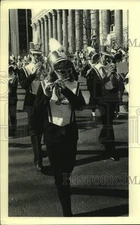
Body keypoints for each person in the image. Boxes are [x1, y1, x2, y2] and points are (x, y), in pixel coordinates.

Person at [33, 46, 86, 216]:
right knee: (60, 174)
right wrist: (46, 96)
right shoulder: (43, 85)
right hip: (52, 134)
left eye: (66, 68)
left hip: (69, 132)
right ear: (53, 70)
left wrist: (65, 90)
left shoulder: (75, 85)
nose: (63, 72)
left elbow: (80, 106)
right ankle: (67, 212)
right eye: (59, 69)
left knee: (68, 168)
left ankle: (64, 182)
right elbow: (36, 113)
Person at [18, 42, 47, 171]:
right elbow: (23, 85)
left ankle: (39, 150)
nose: (37, 57)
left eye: (39, 55)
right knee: (34, 132)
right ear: (30, 55)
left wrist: (46, 73)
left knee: (42, 130)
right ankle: (38, 160)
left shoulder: (44, 67)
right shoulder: (24, 69)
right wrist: (34, 74)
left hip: (43, 101)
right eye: (35, 55)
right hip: (31, 101)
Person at [88, 47, 120, 161]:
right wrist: (93, 107)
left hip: (111, 100)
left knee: (108, 122)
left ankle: (103, 138)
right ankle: (111, 150)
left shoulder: (110, 69)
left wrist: (115, 76)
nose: (107, 59)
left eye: (108, 57)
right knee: (108, 124)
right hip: (101, 101)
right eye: (105, 57)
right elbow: (92, 89)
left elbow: (115, 87)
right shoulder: (93, 71)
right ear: (100, 56)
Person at [8, 65, 18, 137]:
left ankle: (13, 131)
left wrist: (8, 84)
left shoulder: (14, 77)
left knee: (12, 115)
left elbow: (12, 87)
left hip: (12, 98)